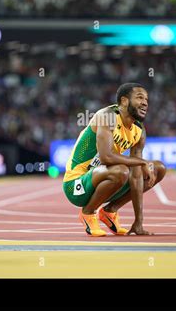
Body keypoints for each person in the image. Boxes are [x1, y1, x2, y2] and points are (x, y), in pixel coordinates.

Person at [63, 82, 166, 236]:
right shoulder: (107, 116)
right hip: (76, 185)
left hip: (104, 181)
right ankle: (88, 212)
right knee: (121, 171)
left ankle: (110, 211)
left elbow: (137, 174)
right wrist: (142, 162)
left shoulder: (139, 130)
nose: (145, 102)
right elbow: (106, 157)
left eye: (146, 99)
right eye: (139, 98)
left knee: (158, 168)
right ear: (124, 101)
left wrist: (139, 222)